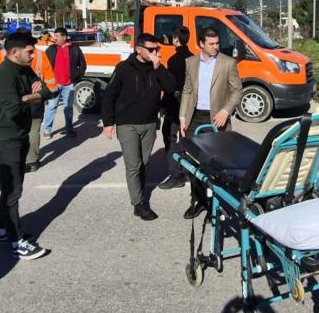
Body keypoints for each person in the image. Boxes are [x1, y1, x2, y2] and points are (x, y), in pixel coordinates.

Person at [0, 32, 54, 260]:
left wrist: (26, 97)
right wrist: (28, 96)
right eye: (30, 52)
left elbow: (47, 91)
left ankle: (2, 230)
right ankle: (17, 242)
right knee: (13, 190)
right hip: (3, 138)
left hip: (19, 135)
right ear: (15, 52)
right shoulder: (1, 75)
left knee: (9, 187)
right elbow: (12, 109)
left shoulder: (24, 69)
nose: (34, 55)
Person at [101, 33, 174, 221]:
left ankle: (139, 194)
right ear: (139, 49)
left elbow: (170, 87)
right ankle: (138, 203)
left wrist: (158, 68)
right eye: (151, 49)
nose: (154, 52)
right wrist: (108, 122)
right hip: (127, 123)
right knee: (133, 165)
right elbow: (109, 95)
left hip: (149, 122)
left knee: (144, 163)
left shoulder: (156, 68)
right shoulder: (124, 68)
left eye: (156, 49)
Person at [178, 27, 243, 219]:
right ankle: (198, 201)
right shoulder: (190, 62)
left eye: (217, 43)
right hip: (194, 117)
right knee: (193, 163)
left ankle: (216, 205)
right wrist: (182, 116)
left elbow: (237, 91)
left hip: (217, 120)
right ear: (201, 44)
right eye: (211, 44)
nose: (216, 47)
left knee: (216, 166)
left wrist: (225, 111)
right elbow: (187, 90)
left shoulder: (227, 63)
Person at [0, 40, 57, 173]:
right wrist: (42, 88)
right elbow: (51, 82)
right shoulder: (40, 55)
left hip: (12, 100)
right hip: (35, 99)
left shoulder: (0, 55)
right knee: (33, 130)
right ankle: (32, 161)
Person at [157, 26, 193, 190]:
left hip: (175, 105)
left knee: (170, 138)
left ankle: (176, 174)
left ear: (176, 39)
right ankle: (187, 171)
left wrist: (163, 105)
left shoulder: (173, 60)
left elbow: (170, 86)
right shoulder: (194, 59)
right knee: (186, 138)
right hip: (190, 106)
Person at [43, 27, 86, 138]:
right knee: (52, 106)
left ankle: (69, 129)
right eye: (54, 36)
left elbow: (82, 64)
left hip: (69, 84)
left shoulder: (75, 48)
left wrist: (76, 78)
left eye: (57, 36)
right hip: (54, 84)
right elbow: (44, 65)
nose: (55, 38)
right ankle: (47, 130)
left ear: (64, 37)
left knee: (68, 108)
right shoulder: (51, 49)